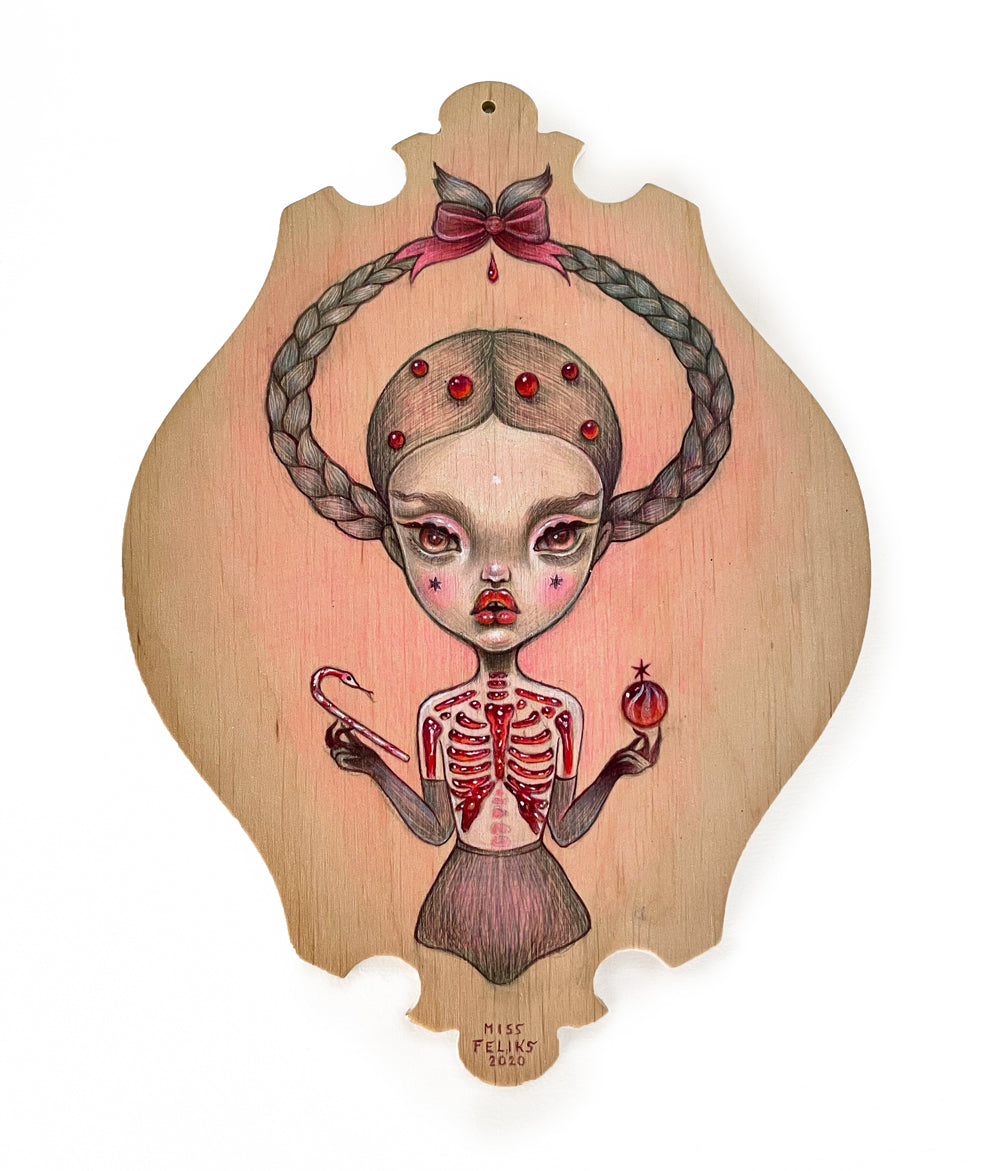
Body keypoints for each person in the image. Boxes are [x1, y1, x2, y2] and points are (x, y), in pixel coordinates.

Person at [324, 329, 660, 984]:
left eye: (557, 534)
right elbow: (434, 829)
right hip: (459, 895)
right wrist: (371, 766)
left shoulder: (559, 712)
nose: (496, 576)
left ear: (598, 545)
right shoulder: (439, 715)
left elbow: (564, 829)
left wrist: (616, 770)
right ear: (395, 546)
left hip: (545, 898)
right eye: (436, 535)